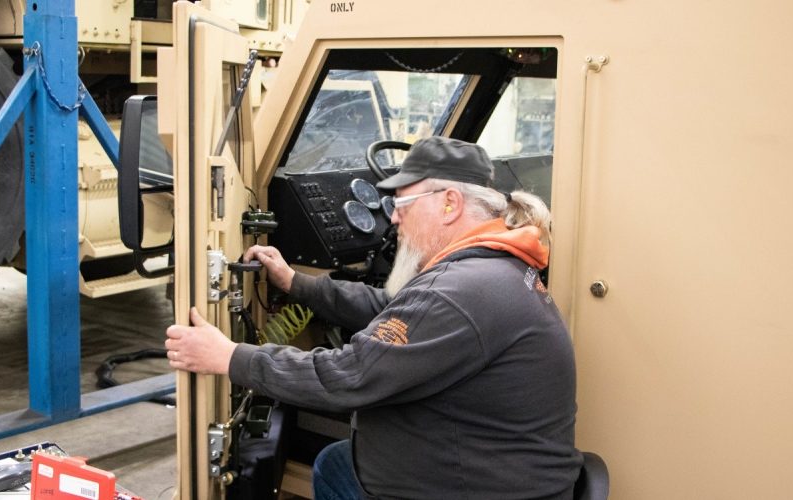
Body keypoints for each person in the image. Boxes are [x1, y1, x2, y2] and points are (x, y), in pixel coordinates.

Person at [165, 136, 583, 499]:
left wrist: (230, 357)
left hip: (476, 488)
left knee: (333, 468)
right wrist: (296, 283)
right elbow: (393, 311)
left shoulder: (461, 290)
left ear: (450, 203)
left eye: (402, 203)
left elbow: (346, 376)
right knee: (338, 462)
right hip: (495, 473)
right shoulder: (487, 266)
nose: (394, 217)